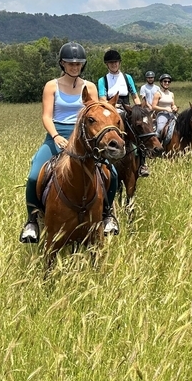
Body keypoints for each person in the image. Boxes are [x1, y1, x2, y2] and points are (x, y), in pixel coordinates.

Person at [20, 42, 122, 241]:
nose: (74, 67)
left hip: (86, 138)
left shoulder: (90, 86)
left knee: (113, 174)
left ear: (82, 65)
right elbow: (46, 116)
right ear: (62, 64)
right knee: (34, 175)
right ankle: (32, 222)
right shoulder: (52, 86)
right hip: (57, 135)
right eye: (70, 63)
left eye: (78, 64)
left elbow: (97, 114)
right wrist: (56, 136)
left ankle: (108, 214)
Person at [97, 49, 147, 180]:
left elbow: (134, 96)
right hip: (111, 109)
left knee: (141, 129)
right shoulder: (103, 80)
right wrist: (114, 106)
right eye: (111, 63)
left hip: (128, 108)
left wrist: (139, 109)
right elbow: (102, 100)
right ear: (107, 64)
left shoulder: (127, 77)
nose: (114, 65)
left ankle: (142, 164)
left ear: (119, 63)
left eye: (116, 62)